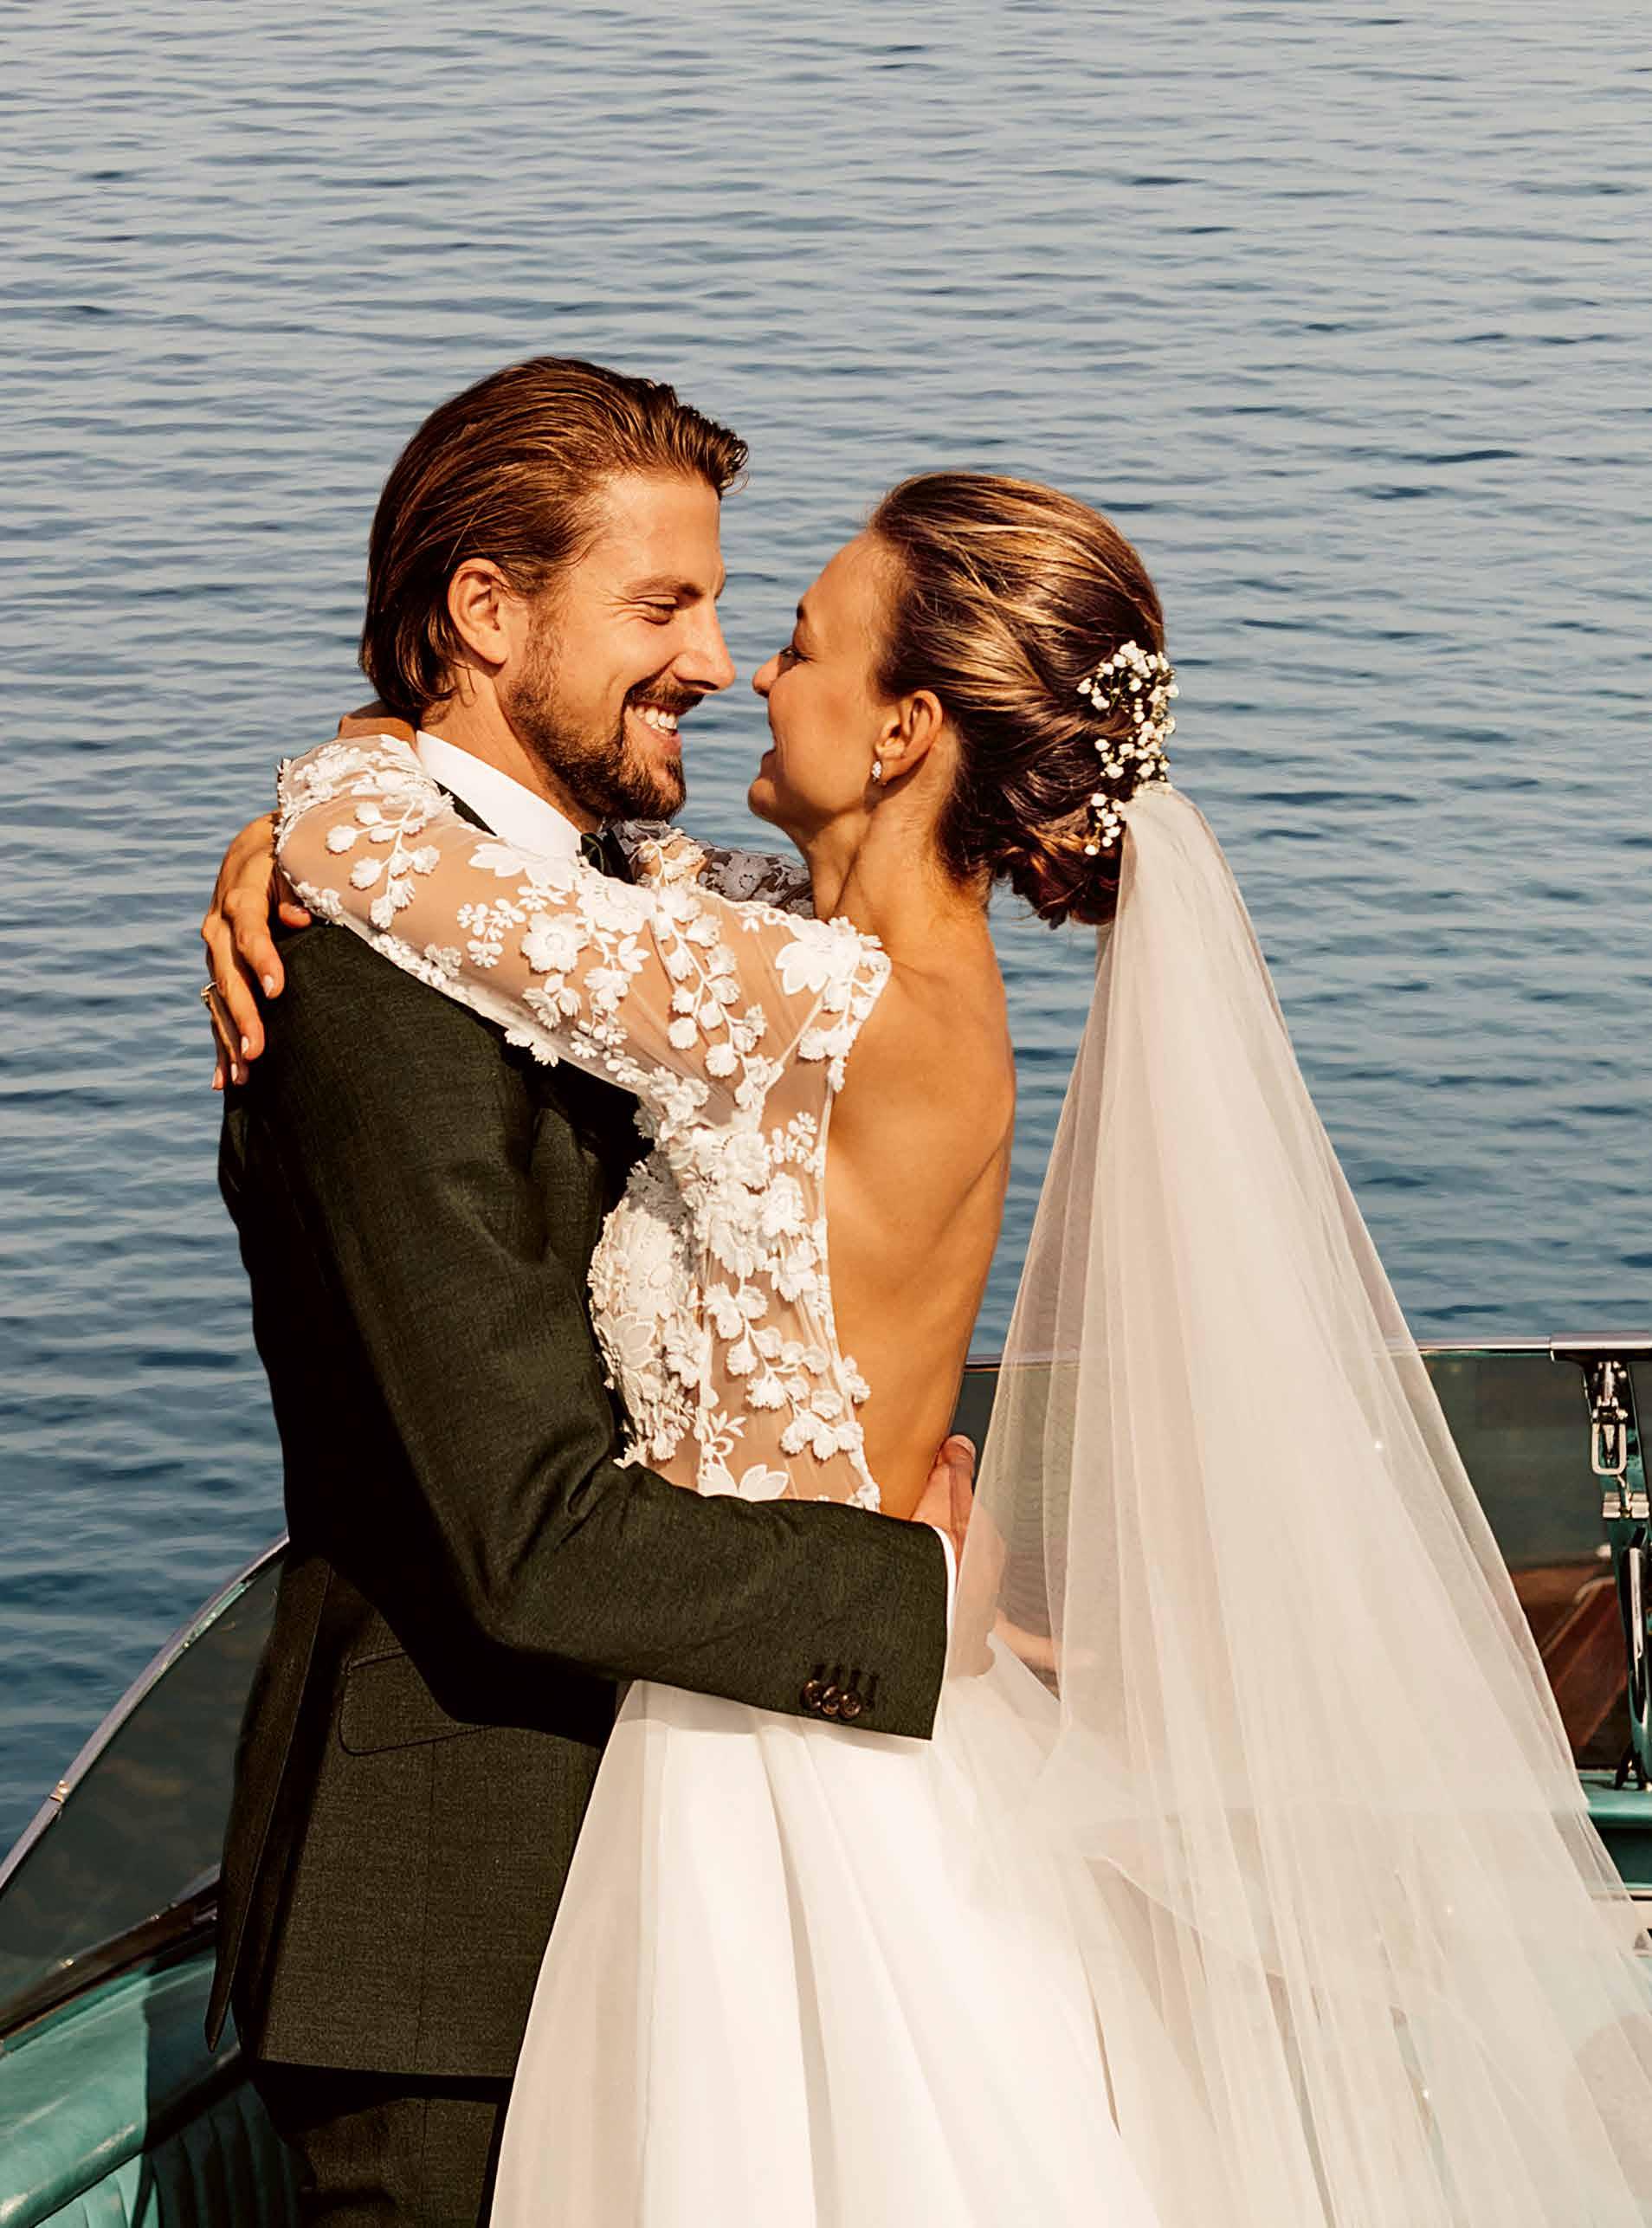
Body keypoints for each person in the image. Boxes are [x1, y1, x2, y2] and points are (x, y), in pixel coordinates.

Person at [209, 460, 1652, 2225]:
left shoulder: (812, 1008)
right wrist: (372, 778)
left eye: (803, 641)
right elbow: (584, 884)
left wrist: (323, 798)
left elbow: (396, 866)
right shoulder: (828, 962)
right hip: (822, 1730)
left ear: (902, 734)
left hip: (761, 1768)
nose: (750, 670)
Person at [199, 357, 972, 2228]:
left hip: (678, 1877)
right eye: (661, 608)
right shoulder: (355, 972)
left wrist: (339, 779)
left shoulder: (606, 903)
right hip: (448, 1938)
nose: (712, 661)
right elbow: (524, 1535)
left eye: (724, 608)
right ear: (487, 611)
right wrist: (929, 1595)